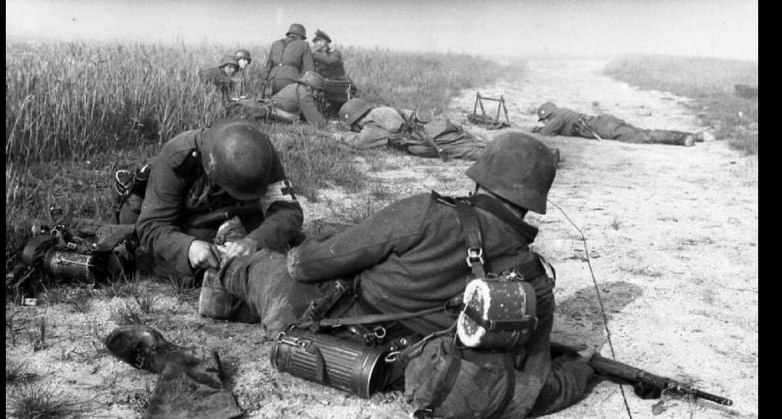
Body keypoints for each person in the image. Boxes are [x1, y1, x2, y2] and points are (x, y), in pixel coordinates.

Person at [106, 133, 599, 418]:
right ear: (533, 201)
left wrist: (308, 245)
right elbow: (536, 384)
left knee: (257, 265)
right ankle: (231, 296)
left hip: (310, 323)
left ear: (479, 176)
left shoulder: (427, 213)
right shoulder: (534, 281)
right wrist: (584, 369)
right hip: (382, 367)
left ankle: (224, 288)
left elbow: (307, 265)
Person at [128, 119, 304, 286]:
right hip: (186, 220)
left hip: (234, 215)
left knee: (289, 246)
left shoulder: (259, 151)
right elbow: (151, 226)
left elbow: (289, 211)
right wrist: (189, 248)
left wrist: (255, 241)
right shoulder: (178, 156)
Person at [336, 98, 487, 161]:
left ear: (356, 121)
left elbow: (360, 142)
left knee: (460, 150)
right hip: (436, 125)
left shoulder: (371, 126)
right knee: (464, 140)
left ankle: (491, 152)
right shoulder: (382, 110)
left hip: (427, 138)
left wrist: (344, 136)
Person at [532, 101, 703, 146]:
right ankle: (694, 136)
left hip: (604, 128)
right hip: (604, 123)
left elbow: (546, 133)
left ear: (548, 115)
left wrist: (536, 129)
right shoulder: (562, 113)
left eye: (545, 119)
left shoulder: (558, 117)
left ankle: (682, 140)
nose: (546, 122)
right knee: (645, 132)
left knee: (644, 137)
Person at [229, 71, 327, 126]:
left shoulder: (293, 86)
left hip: (269, 106)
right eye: (318, 91)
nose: (319, 94)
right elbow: (318, 122)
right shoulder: (304, 94)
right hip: (273, 113)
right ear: (311, 87)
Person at [311, 29, 356, 113]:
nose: (315, 44)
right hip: (326, 86)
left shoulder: (335, 53)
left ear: (324, 42)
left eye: (317, 41)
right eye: (315, 42)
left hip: (340, 84)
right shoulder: (316, 55)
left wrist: (314, 54)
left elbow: (330, 61)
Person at [265, 23, 314, 96]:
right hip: (289, 80)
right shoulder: (304, 45)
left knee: (271, 104)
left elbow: (268, 65)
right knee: (292, 104)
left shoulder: (275, 44)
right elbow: (308, 68)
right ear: (301, 36)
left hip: (272, 81)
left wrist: (265, 81)